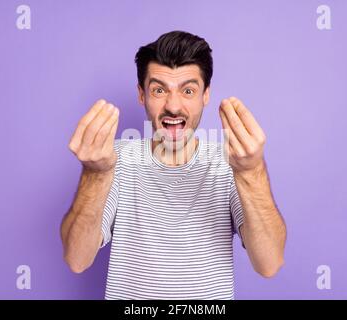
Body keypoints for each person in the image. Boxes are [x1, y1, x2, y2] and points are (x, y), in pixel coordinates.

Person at [61, 30, 287, 299]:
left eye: (188, 90)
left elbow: (269, 263)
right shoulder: (114, 160)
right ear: (141, 95)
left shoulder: (230, 164)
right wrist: (95, 174)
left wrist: (251, 171)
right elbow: (77, 259)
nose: (173, 106)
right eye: (158, 90)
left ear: (206, 95)